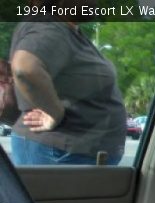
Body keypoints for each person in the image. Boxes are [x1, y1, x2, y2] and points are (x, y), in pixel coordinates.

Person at [9, 2, 126, 165]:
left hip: (66, 153)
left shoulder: (62, 28)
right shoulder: (50, 28)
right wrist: (55, 114)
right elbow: (26, 68)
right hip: (59, 153)